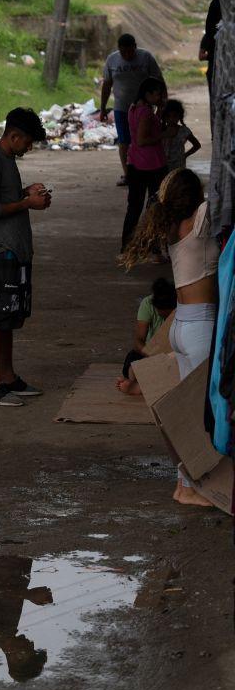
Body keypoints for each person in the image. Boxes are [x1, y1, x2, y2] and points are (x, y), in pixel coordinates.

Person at [120, 169, 218, 507]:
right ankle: (189, 487)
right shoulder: (200, 221)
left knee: (186, 413)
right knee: (197, 414)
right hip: (199, 327)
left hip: (182, 327)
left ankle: (185, 484)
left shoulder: (175, 228)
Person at [0, 107, 50, 407]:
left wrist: (24, 192)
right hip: (0, 250)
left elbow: (3, 197)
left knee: (8, 317)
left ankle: (7, 376)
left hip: (15, 250)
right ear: (14, 135)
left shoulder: (5, 158)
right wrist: (26, 203)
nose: (29, 148)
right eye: (28, 142)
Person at [99, 34, 164, 187]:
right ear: (119, 49)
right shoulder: (112, 60)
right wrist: (102, 108)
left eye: (130, 52)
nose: (127, 55)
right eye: (123, 52)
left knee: (145, 139)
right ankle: (128, 174)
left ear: (135, 47)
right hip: (121, 108)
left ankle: (147, 170)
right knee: (124, 141)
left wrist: (162, 101)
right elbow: (107, 85)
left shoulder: (145, 57)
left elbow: (158, 80)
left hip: (144, 107)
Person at [122, 77, 168, 250]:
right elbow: (142, 139)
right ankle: (152, 246)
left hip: (135, 162)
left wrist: (160, 114)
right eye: (157, 94)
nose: (160, 98)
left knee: (134, 207)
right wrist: (164, 135)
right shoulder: (146, 112)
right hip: (151, 164)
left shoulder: (134, 108)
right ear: (147, 94)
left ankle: (127, 245)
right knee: (154, 207)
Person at [116, 277, 177, 396]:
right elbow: (139, 340)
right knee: (133, 361)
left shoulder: (181, 305)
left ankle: (138, 385)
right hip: (150, 352)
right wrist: (151, 355)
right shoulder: (147, 304)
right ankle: (136, 379)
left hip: (172, 352)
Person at [161, 99, 201, 173]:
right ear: (164, 117)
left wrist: (185, 155)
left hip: (179, 166)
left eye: (175, 116)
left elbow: (197, 145)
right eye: (168, 116)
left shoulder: (183, 130)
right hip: (163, 166)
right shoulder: (161, 129)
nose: (171, 119)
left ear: (180, 116)